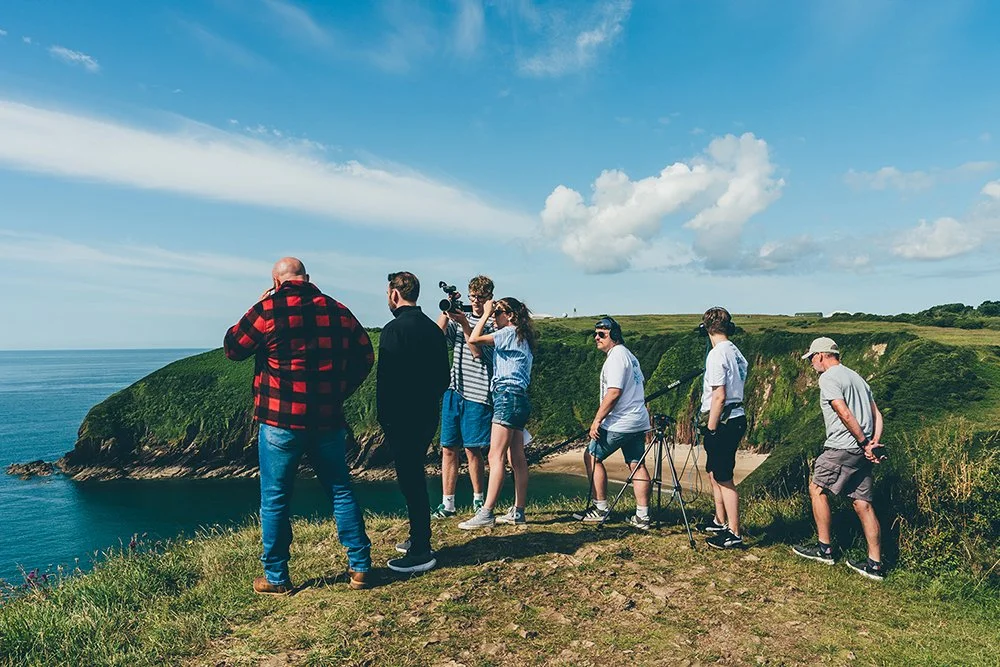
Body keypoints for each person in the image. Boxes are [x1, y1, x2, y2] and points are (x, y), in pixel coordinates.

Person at [224, 257, 374, 595]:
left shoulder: (268, 310)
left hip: (281, 421)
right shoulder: (339, 310)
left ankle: (277, 577)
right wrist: (340, 391)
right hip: (327, 418)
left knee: (276, 498)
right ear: (307, 278)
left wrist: (261, 302)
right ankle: (360, 566)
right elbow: (366, 356)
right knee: (340, 490)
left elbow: (233, 348)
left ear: (276, 281)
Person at [793, 337, 887, 581]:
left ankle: (824, 549)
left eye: (812, 358)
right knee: (862, 503)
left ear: (822, 355)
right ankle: (875, 565)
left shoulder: (829, 378)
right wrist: (873, 443)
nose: (811, 364)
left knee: (817, 489)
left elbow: (842, 411)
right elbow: (877, 413)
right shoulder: (857, 378)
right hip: (862, 449)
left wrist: (865, 443)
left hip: (843, 446)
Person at [377, 271, 450, 574]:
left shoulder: (393, 330)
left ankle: (421, 547)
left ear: (395, 294)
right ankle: (418, 536)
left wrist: (385, 418)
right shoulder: (433, 330)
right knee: (414, 476)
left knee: (411, 480)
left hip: (401, 416)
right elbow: (444, 378)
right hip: (427, 414)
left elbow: (387, 380)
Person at [458, 297, 536, 529]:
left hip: (506, 395)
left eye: (498, 312)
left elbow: (474, 339)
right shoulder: (523, 337)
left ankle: (486, 513)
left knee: (495, 455)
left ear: (510, 315)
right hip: (520, 397)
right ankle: (518, 511)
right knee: (517, 457)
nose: (494, 316)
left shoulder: (508, 333)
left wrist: (483, 315)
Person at [573, 317, 653, 529]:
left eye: (602, 334)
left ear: (614, 336)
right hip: (637, 419)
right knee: (637, 463)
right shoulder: (629, 356)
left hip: (620, 421)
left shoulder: (616, 358)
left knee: (592, 456)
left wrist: (597, 420)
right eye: (595, 333)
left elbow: (614, 392)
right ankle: (642, 516)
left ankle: (600, 508)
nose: (596, 338)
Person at [431, 276, 495, 519]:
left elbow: (479, 353)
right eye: (473, 298)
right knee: (448, 448)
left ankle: (479, 500)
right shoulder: (460, 318)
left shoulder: (492, 323)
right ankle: (448, 503)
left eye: (480, 298)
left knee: (472, 449)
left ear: (489, 297)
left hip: (478, 391)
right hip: (453, 389)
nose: (476, 302)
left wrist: (467, 325)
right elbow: (437, 337)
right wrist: (448, 312)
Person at [697, 307, 749, 550]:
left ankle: (734, 532)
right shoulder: (736, 352)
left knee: (725, 478)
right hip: (735, 415)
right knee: (714, 471)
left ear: (706, 327)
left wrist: (711, 428)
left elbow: (719, 395)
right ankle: (720, 520)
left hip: (724, 419)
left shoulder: (717, 355)